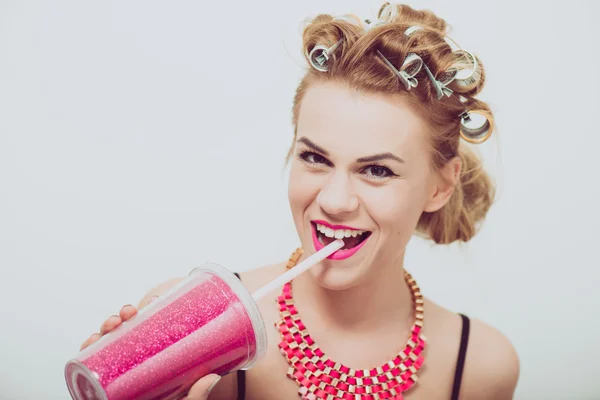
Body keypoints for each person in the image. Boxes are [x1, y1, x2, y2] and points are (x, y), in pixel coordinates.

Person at [80, 3, 520, 399]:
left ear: (439, 187)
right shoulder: (194, 330)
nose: (334, 200)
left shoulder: (482, 366)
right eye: (314, 158)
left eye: (377, 170)